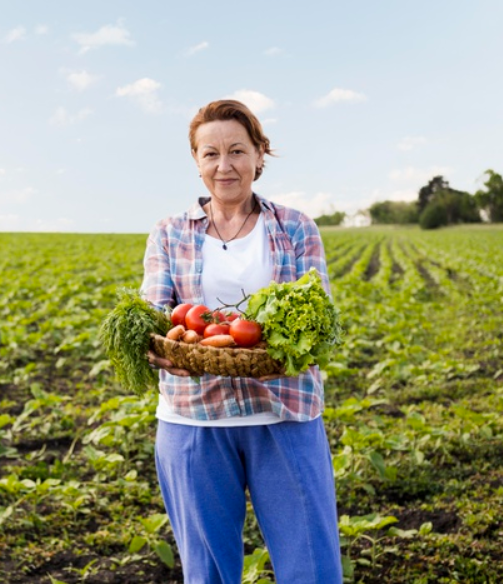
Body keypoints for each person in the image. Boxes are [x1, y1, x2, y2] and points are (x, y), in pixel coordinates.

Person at [141, 99, 343, 584]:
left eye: (236, 150)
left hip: (284, 411)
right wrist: (161, 352)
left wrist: (288, 350)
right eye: (210, 154)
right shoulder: (169, 232)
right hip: (192, 418)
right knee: (206, 572)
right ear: (196, 162)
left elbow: (321, 320)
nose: (224, 165)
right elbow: (152, 315)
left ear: (259, 155)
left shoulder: (294, 226)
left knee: (310, 566)